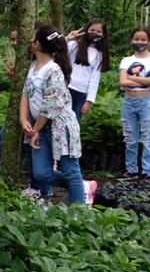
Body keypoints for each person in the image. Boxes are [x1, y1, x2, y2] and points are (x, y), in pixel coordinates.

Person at [21, 25, 97, 206]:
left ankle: (77, 213)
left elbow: (50, 105)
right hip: (41, 127)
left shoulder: (53, 70)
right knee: (41, 173)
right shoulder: (33, 66)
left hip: (61, 127)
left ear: (38, 44)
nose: (30, 41)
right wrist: (23, 119)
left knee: (71, 170)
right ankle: (82, 187)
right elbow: (25, 93)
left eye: (33, 38)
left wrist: (35, 130)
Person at [119, 27, 150, 179]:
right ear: (132, 40)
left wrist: (132, 78)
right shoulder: (126, 60)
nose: (139, 42)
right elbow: (122, 81)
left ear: (149, 41)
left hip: (147, 102)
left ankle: (147, 171)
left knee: (148, 138)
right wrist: (147, 81)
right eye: (136, 39)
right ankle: (131, 169)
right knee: (130, 138)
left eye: (143, 39)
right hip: (129, 102)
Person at [65, 19, 109, 124]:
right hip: (65, 88)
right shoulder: (74, 46)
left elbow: (95, 78)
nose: (95, 33)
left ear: (103, 35)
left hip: (81, 94)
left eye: (99, 32)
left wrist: (89, 101)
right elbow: (57, 50)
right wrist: (67, 38)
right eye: (92, 30)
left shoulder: (99, 55)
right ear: (86, 30)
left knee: (74, 124)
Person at [0, 29, 19, 176]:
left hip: (30, 112)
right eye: (12, 40)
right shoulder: (20, 59)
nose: (13, 44)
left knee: (1, 144)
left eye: (16, 39)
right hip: (19, 109)